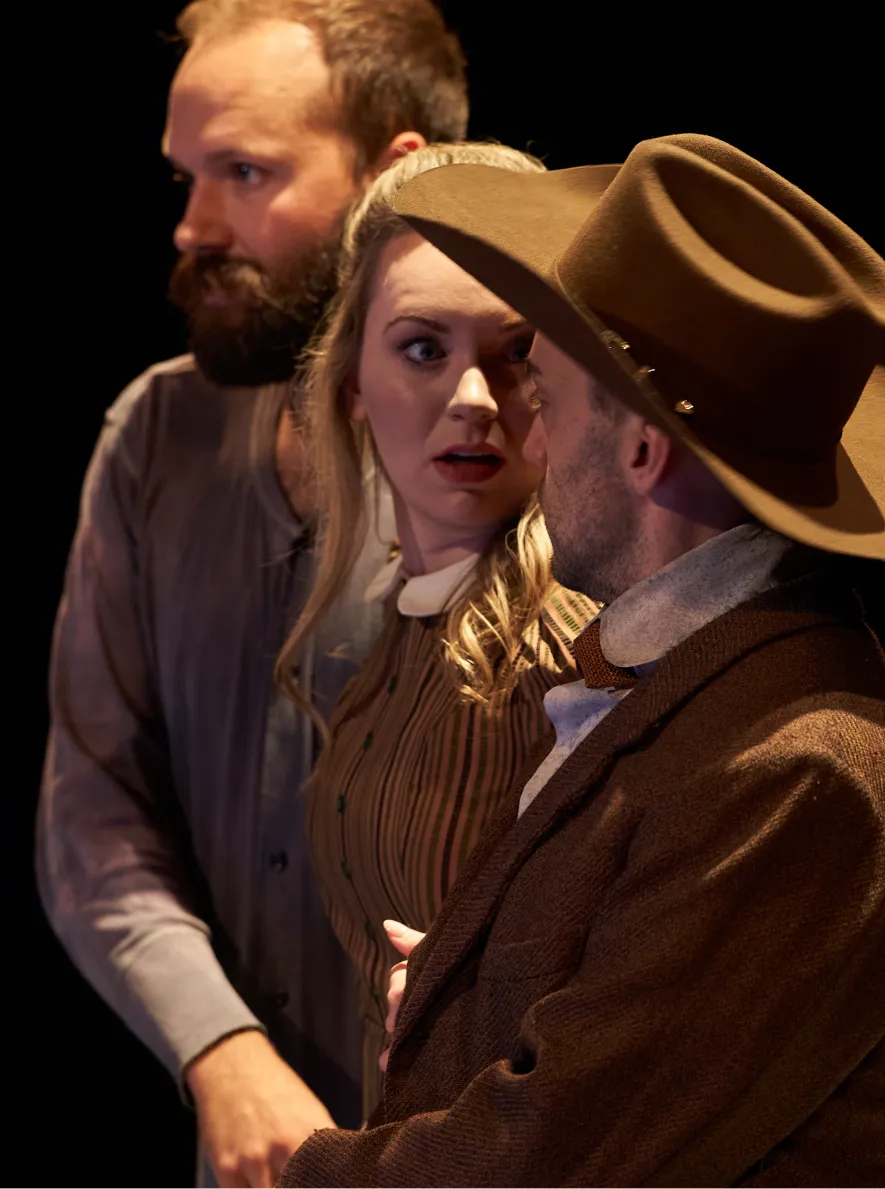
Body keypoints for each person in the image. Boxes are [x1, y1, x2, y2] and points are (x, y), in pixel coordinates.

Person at [275, 134, 885, 1187]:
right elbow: (631, 1034)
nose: (536, 441)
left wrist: (298, 1171)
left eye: (546, 396)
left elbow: (554, 1158)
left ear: (645, 452)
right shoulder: (685, 677)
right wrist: (464, 1002)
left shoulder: (803, 780)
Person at [36, 3, 467, 1188]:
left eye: (247, 172)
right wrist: (221, 1048)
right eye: (188, 175)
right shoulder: (155, 435)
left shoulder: (521, 456)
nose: (192, 224)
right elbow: (91, 809)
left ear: (401, 174)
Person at [276, 142, 598, 1116]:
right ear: (353, 389)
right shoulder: (403, 625)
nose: (472, 399)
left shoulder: (572, 648)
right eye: (424, 348)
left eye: (513, 355)